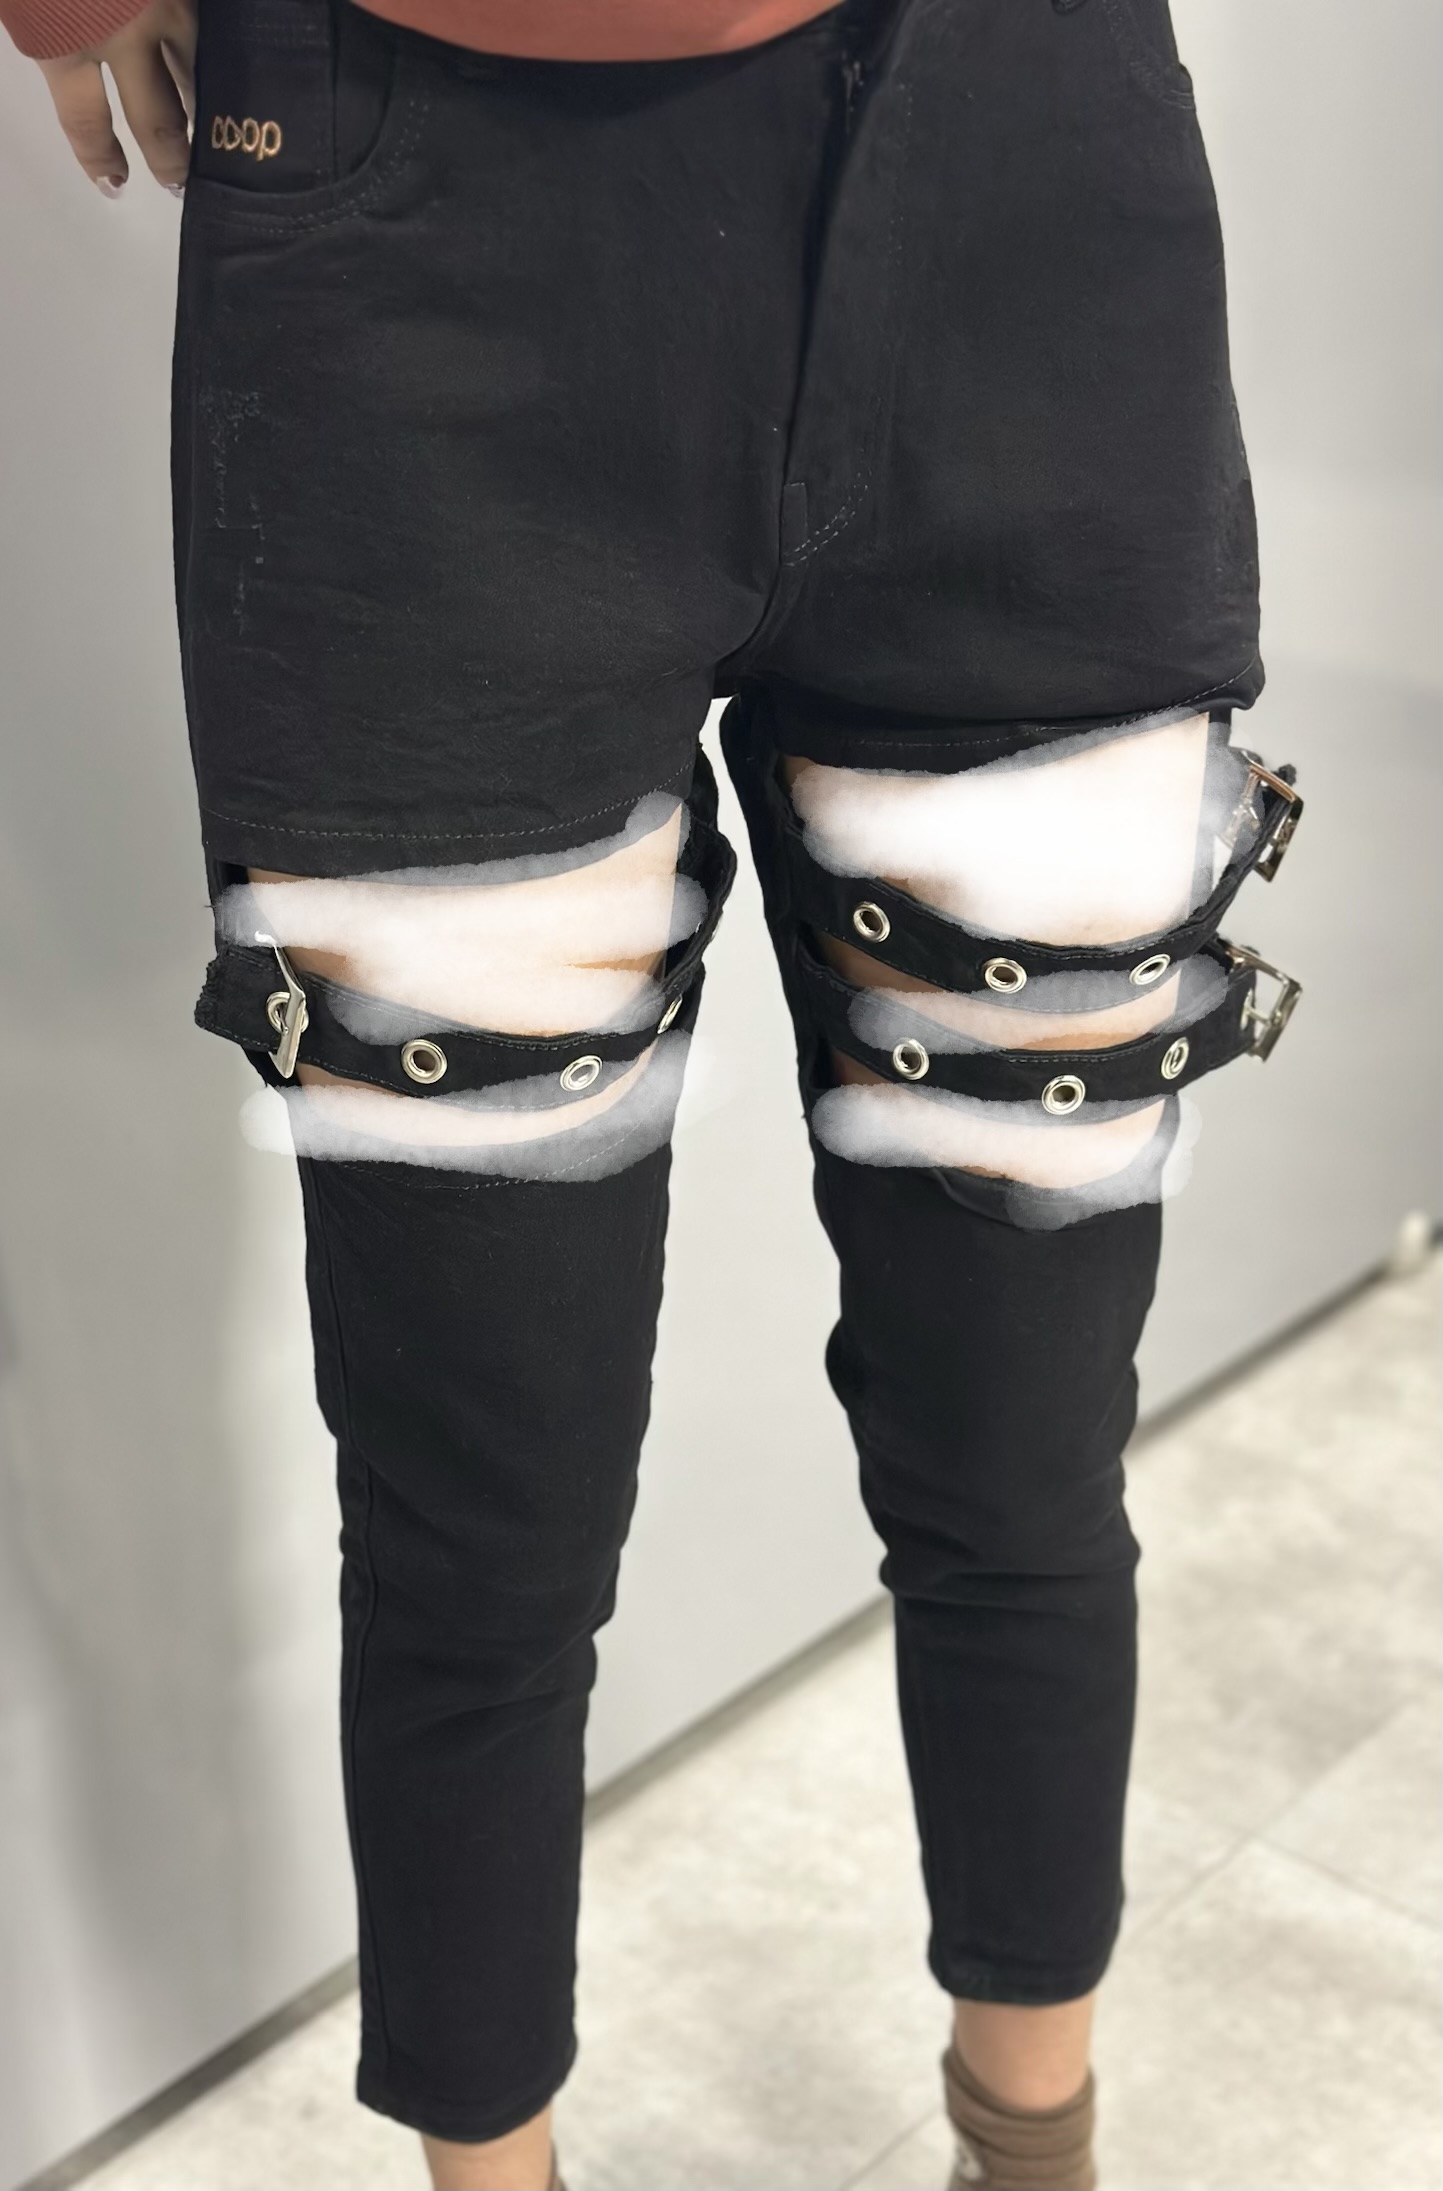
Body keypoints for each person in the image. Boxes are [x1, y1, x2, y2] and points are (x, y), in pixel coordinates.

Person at [8, 0, 1304, 2183]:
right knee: (482, 1499)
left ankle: (1032, 2141)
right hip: (422, 226)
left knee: (1020, 1416)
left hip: (1024, 185)